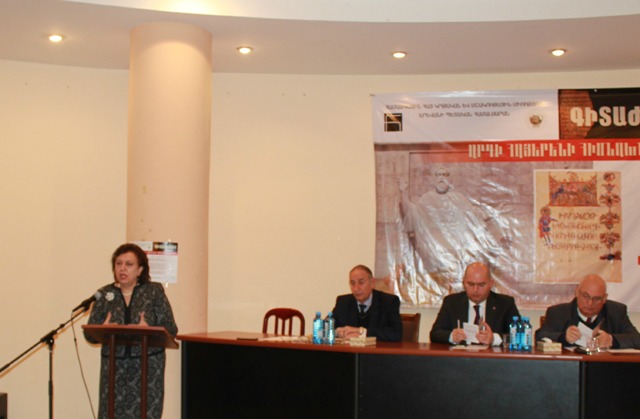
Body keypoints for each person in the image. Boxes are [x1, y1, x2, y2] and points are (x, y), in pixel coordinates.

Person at [85, 243, 178, 419]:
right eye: (118, 263)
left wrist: (149, 330)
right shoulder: (104, 294)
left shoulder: (153, 292)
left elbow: (171, 328)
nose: (122, 268)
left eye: (129, 264)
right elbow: (89, 335)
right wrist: (104, 330)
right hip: (114, 369)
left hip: (147, 368)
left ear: (140, 270)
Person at [535, 274, 640, 349]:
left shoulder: (616, 312)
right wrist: (564, 337)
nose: (590, 303)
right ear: (577, 292)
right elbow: (540, 336)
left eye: (596, 299)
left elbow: (637, 339)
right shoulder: (558, 313)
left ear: (604, 298)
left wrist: (612, 340)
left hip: (607, 368)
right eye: (585, 296)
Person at [429, 262, 520, 346]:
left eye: (481, 285)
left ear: (491, 283)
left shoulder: (505, 304)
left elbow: (519, 336)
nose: (475, 290)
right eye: (470, 284)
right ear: (464, 283)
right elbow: (435, 334)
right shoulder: (451, 302)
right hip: (460, 357)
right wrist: (452, 336)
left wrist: (494, 339)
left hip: (491, 357)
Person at [333, 265, 402, 342]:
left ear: (372, 283)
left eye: (361, 282)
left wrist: (362, 332)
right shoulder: (343, 302)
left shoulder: (388, 302)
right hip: (349, 349)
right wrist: (338, 332)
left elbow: (396, 333)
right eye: (352, 283)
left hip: (377, 349)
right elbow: (326, 326)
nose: (356, 288)